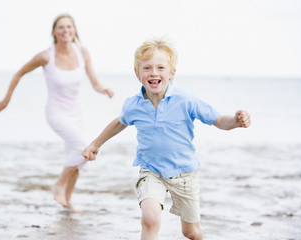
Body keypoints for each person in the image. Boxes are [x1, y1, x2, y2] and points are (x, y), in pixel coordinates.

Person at [82, 38, 251, 239]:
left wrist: (236, 121)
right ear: (138, 74)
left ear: (172, 73)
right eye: (147, 68)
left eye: (160, 67)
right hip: (151, 171)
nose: (154, 73)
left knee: (191, 232)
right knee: (150, 219)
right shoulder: (133, 105)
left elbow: (219, 120)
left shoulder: (186, 100)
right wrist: (95, 144)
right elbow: (120, 122)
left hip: (185, 174)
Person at [0, 14, 114, 213]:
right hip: (56, 113)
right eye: (61, 27)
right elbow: (19, 74)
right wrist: (6, 100)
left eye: (69, 27)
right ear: (54, 32)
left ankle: (67, 200)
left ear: (74, 30)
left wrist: (103, 90)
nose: (65, 30)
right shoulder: (45, 56)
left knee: (78, 156)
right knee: (83, 148)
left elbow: (94, 81)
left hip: (77, 113)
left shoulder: (82, 52)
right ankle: (59, 186)